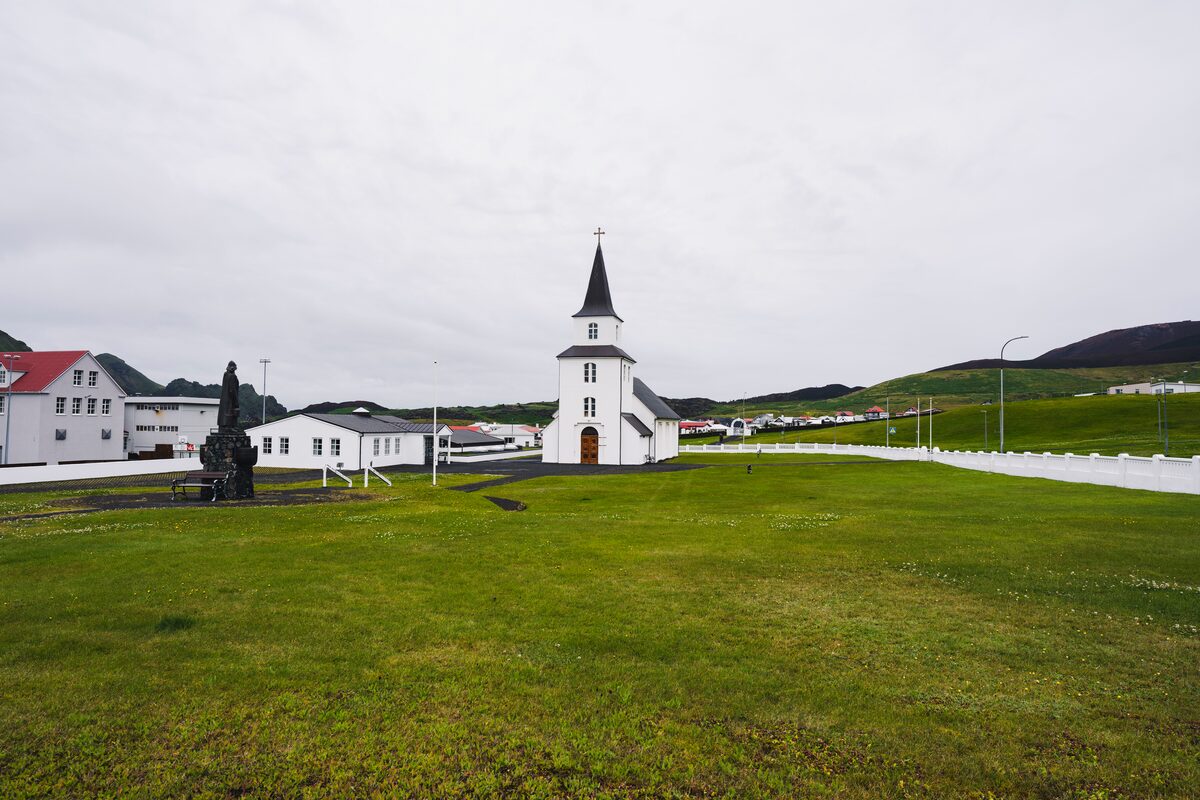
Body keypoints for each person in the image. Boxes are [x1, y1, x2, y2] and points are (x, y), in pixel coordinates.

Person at [217, 361, 240, 430]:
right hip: (230, 399)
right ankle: (229, 427)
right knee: (230, 412)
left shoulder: (225, 375)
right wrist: (236, 401)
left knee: (225, 412)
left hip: (225, 399)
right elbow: (232, 390)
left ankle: (224, 426)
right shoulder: (232, 376)